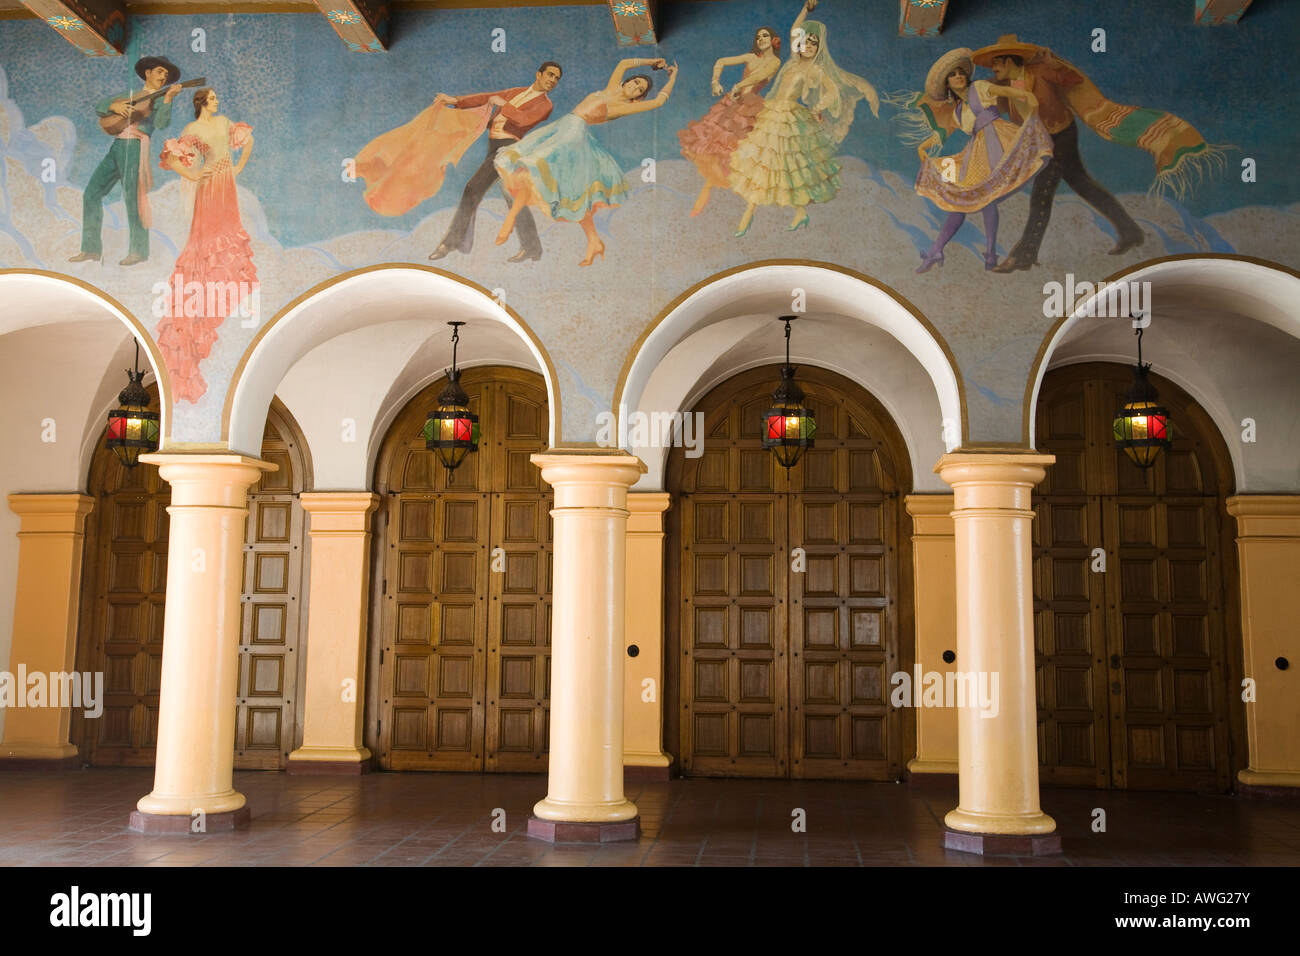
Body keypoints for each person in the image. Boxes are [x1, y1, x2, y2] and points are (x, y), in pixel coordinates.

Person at [974, 35, 1144, 273]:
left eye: (997, 63)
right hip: (1041, 142)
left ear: (1011, 60)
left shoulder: (1040, 71)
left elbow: (1073, 79)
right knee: (1082, 183)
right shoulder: (1002, 88)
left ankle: (1023, 255)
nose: (994, 68)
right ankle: (1131, 231)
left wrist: (1053, 62)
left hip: (1061, 135)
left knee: (1042, 195)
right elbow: (982, 105)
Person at [493, 57, 678, 267]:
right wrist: (653, 61)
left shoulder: (621, 106)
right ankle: (594, 241)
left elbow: (658, 102)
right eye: (635, 82)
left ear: (639, 97)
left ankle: (509, 222)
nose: (635, 87)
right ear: (626, 82)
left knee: (531, 168)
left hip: (572, 134)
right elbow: (624, 64)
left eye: (640, 89)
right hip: (563, 127)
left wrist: (673, 77)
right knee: (573, 191)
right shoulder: (611, 90)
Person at [727, 2, 880, 236]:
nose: (808, 46)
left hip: (788, 116)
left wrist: (817, 108)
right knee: (770, 165)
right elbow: (795, 30)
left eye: (813, 43)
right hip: (773, 112)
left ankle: (753, 213)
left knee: (781, 165)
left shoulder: (815, 71)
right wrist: (806, 10)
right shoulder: (792, 62)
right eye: (806, 41)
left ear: (818, 49)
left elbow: (833, 93)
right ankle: (796, 213)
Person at [903, 49, 1051, 273]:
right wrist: (923, 146)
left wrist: (1025, 95)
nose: (959, 76)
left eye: (961, 72)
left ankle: (989, 252)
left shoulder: (979, 88)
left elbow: (1003, 90)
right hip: (977, 151)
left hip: (999, 141)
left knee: (986, 198)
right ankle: (937, 250)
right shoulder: (958, 112)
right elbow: (944, 132)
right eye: (953, 75)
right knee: (960, 202)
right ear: (948, 84)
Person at [155, 87, 256, 404]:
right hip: (210, 184)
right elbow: (171, 158)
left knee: (228, 234)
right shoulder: (193, 130)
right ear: (201, 103)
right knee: (205, 241)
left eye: (215, 97)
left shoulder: (224, 122)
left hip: (226, 182)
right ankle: (200, 292)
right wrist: (197, 174)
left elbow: (247, 140)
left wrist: (238, 167)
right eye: (211, 98)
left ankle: (220, 277)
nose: (216, 101)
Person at [425, 62, 563, 263]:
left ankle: (450, 242)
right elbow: (485, 97)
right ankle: (533, 248)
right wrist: (455, 100)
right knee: (513, 198)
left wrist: (503, 105)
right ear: (538, 74)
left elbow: (523, 120)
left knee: (472, 190)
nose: (553, 80)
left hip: (508, 149)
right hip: (494, 145)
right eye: (550, 75)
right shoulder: (517, 92)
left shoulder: (545, 105)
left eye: (556, 78)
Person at [70, 56, 182, 266]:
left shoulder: (161, 98)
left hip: (135, 146)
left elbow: (161, 123)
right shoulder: (132, 95)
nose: (163, 77)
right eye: (160, 72)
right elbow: (101, 107)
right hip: (118, 146)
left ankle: (138, 250)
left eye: (166, 75)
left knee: (133, 197)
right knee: (91, 193)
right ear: (147, 73)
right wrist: (115, 106)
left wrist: (168, 100)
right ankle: (91, 249)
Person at [678, 25, 781, 218]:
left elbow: (759, 76)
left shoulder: (775, 61)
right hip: (733, 103)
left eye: (765, 36)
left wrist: (739, 86)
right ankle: (704, 199)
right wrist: (715, 81)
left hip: (750, 107)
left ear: (774, 40)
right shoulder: (751, 58)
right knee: (716, 148)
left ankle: (746, 205)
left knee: (738, 154)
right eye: (758, 37)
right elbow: (721, 61)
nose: (761, 39)